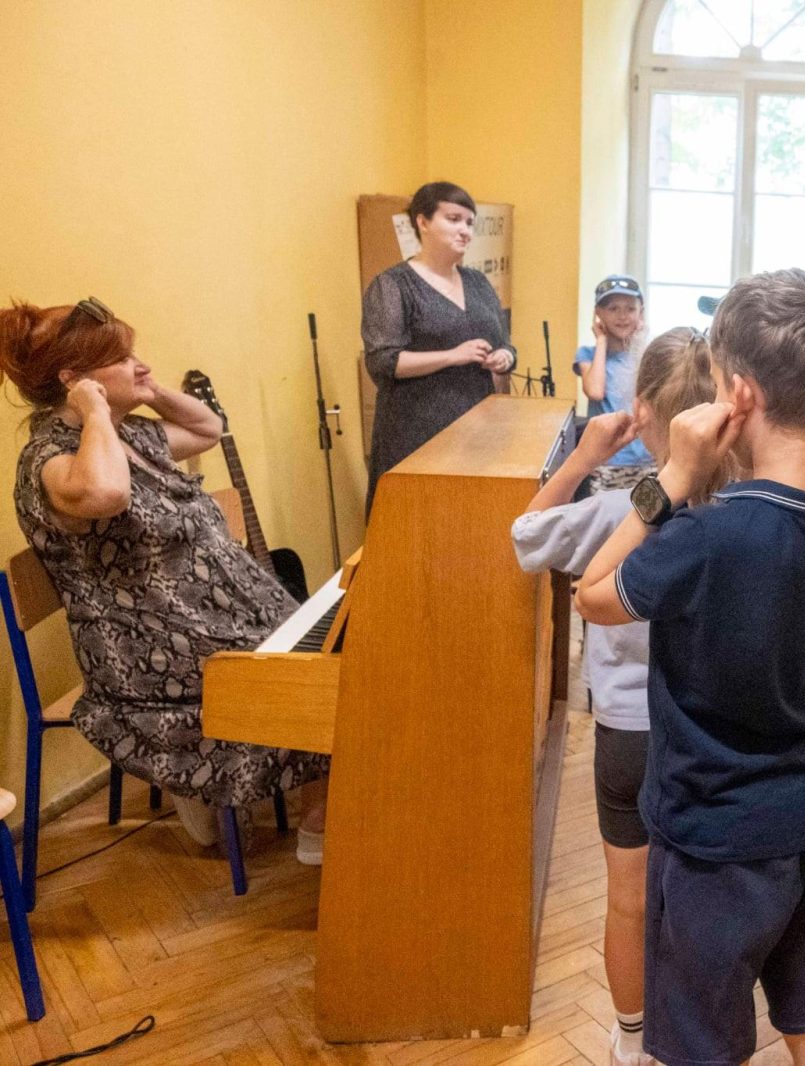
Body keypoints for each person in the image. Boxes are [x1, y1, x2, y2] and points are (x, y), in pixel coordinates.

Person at [574, 269, 805, 1066]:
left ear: (738, 395)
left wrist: (673, 478)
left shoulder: (706, 536)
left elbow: (594, 594)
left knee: (701, 1044)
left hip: (715, 832)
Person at [0, 298, 329, 860]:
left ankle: (319, 808)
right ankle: (318, 826)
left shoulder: (133, 436)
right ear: (75, 381)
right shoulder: (48, 461)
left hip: (212, 620)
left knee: (337, 643)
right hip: (149, 649)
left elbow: (209, 427)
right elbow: (108, 493)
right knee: (316, 674)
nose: (141, 364)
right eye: (122, 358)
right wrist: (95, 412)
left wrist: (148, 390)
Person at [512, 327, 723, 1066]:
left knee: (629, 900)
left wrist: (584, 455)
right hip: (712, 732)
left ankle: (633, 1038)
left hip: (630, 732)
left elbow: (526, 536)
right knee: (700, 894)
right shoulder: (743, 510)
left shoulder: (622, 509)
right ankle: (698, 1030)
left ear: (642, 412)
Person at [361, 181, 515, 513]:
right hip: (416, 433)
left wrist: (504, 357)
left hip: (475, 430)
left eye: (470, 223)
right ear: (423, 222)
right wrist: (452, 356)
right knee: (418, 522)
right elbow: (383, 361)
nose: (465, 230)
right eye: (454, 219)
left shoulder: (477, 282)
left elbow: (505, 342)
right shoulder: (394, 285)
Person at [577, 275, 654, 493]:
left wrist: (641, 341)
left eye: (630, 309)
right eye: (613, 309)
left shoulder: (648, 355)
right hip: (607, 462)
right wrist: (601, 341)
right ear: (598, 313)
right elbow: (595, 391)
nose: (622, 316)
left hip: (647, 460)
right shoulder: (587, 355)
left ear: (641, 313)